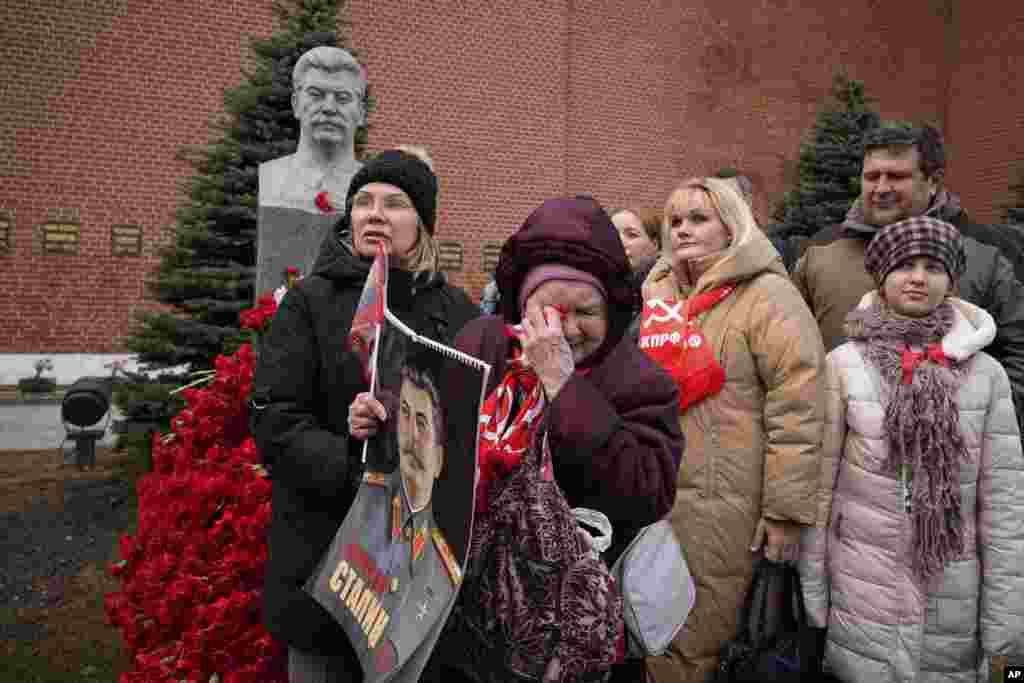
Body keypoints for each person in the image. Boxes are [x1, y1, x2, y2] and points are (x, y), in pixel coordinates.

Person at [417, 196, 685, 681]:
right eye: (549, 311)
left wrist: (564, 388)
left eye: (586, 312)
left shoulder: (642, 381)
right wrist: (382, 420)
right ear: (522, 304)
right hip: (467, 620)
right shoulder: (482, 343)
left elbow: (647, 493)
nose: (565, 329)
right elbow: (429, 443)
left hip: (573, 632)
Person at [250, 147, 478, 682]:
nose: (375, 213)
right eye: (363, 202)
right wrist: (352, 454)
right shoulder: (310, 303)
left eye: (395, 204)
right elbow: (274, 419)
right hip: (323, 564)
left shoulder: (458, 312)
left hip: (417, 579)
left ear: (422, 224)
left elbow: (470, 429)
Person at [799, 217, 1024, 683]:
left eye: (932, 267)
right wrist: (814, 590)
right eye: (904, 265)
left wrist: (1004, 626)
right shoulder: (844, 365)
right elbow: (820, 485)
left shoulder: (986, 375)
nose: (918, 277)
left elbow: (1005, 503)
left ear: (952, 279)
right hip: (864, 581)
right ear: (881, 275)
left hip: (953, 592)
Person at [640, 177, 825, 683]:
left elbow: (800, 406)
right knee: (655, 621)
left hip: (730, 501)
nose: (683, 230)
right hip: (657, 493)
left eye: (699, 218)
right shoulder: (655, 296)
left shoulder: (767, 297)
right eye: (674, 221)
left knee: (705, 631)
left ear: (731, 225)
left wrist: (785, 512)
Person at [792, 121, 1024, 430]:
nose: (881, 188)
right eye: (872, 176)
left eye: (897, 176)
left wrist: (984, 420)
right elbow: (788, 352)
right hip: (842, 454)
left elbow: (1019, 349)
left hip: (951, 455)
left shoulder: (986, 254)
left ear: (932, 181)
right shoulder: (820, 251)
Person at [257, 47, 367, 294]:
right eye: (316, 94)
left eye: (342, 98)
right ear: (296, 104)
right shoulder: (270, 177)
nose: (329, 107)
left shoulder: (370, 189)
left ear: (360, 113)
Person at [611, 207, 664, 341]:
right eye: (612, 234)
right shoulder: (598, 290)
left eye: (631, 235)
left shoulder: (667, 292)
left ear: (656, 245)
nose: (618, 241)